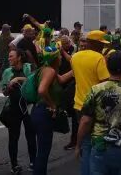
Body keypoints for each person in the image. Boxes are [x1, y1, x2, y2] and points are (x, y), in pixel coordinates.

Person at [76, 52, 121, 175]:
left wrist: (78, 144)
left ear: (107, 67)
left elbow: (85, 121)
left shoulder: (96, 90)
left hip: (101, 145)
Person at [71, 30, 111, 175]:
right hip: (95, 107)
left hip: (78, 105)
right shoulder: (99, 58)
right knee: (96, 144)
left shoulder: (74, 57)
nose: (103, 47)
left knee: (86, 145)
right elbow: (106, 82)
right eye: (101, 44)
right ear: (95, 43)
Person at [32, 47, 73, 175]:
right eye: (60, 56)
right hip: (44, 112)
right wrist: (52, 104)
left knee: (43, 150)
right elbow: (42, 90)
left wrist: (75, 69)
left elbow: (61, 80)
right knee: (43, 153)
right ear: (56, 59)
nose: (61, 58)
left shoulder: (46, 69)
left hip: (38, 112)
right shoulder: (49, 71)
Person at [0, 49, 36, 174]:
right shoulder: (7, 72)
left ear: (19, 57)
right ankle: (14, 165)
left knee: (31, 135)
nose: (9, 58)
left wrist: (18, 79)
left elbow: (34, 81)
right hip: (14, 108)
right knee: (13, 137)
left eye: (11, 56)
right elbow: (4, 92)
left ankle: (33, 162)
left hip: (28, 107)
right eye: (8, 56)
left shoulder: (29, 67)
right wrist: (8, 87)